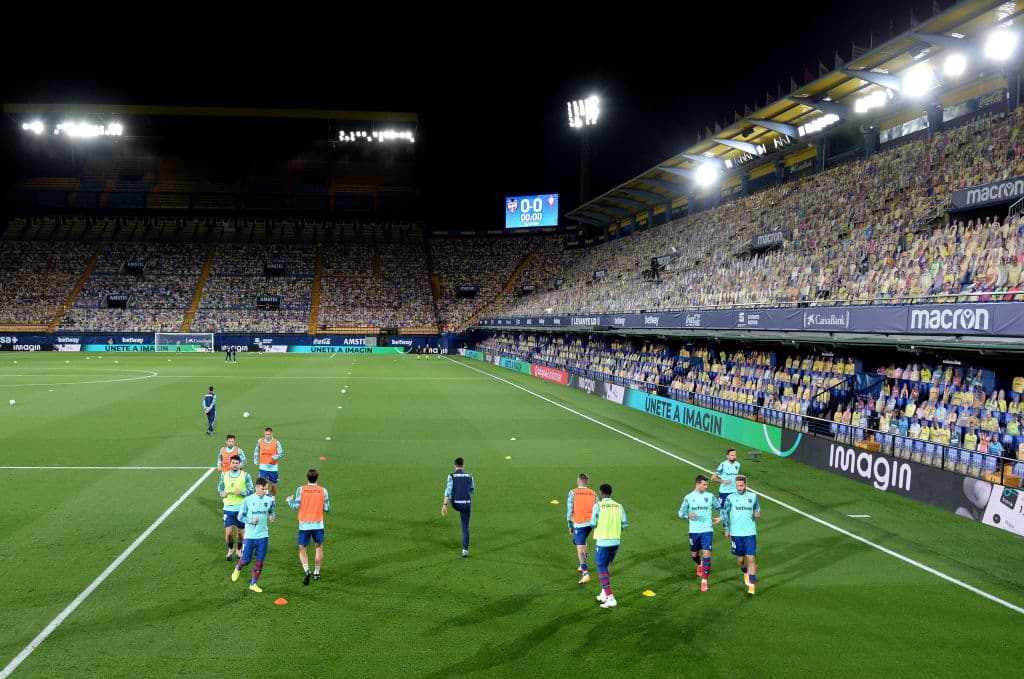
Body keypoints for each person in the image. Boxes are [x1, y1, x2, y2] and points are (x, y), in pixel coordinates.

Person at [287, 468, 330, 585]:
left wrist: (289, 500)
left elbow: (296, 506)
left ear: (307, 478)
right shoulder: (323, 491)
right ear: (317, 478)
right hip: (318, 524)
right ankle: (317, 572)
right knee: (318, 548)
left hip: (304, 525)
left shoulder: (301, 490)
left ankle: (307, 571)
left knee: (302, 549)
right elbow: (327, 508)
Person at [678, 474, 722, 592]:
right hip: (694, 531)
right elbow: (680, 512)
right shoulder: (688, 497)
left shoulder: (710, 496)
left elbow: (720, 508)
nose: (706, 487)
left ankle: (704, 581)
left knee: (707, 553)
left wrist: (721, 518)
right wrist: (688, 515)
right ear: (697, 484)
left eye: (707, 484)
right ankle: (700, 564)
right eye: (704, 484)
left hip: (707, 529)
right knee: (694, 554)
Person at [231, 477, 276, 593]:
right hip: (250, 536)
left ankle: (253, 584)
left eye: (266, 489)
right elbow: (240, 517)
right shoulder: (248, 500)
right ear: (256, 488)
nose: (265, 491)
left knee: (260, 561)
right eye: (263, 489)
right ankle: (238, 568)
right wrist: (251, 520)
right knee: (246, 560)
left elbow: (271, 510)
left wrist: (272, 516)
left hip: (263, 536)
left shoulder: (269, 500)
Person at [722, 475, 761, 596]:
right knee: (740, 560)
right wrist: (726, 528)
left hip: (750, 533)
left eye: (741, 485)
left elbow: (757, 507)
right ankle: (745, 572)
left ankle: (752, 586)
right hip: (736, 534)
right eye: (737, 485)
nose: (739, 488)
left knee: (751, 558)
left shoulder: (752, 496)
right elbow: (724, 512)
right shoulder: (730, 498)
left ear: (746, 485)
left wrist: (757, 512)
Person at [591, 483, 628, 608]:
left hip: (603, 541)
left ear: (601, 493)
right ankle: (604, 593)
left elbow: (592, 523)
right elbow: (625, 524)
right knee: (605, 565)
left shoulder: (598, 506)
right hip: (615, 542)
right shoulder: (619, 506)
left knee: (601, 567)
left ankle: (611, 598)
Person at [217, 454, 254, 560]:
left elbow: (251, 490)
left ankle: (238, 550)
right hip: (228, 508)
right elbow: (220, 488)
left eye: (237, 463)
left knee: (241, 533)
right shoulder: (224, 475)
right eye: (233, 463)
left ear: (239, 464)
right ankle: (230, 550)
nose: (235, 465)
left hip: (241, 509)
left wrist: (242, 492)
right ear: (230, 463)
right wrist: (221, 493)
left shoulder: (245, 475)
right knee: (228, 533)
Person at [566, 473, 597, 584]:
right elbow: (597, 507)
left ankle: (585, 573)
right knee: (581, 542)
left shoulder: (572, 492)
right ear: (587, 482)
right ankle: (584, 557)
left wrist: (570, 525)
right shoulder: (593, 493)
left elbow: (570, 510)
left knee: (579, 549)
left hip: (579, 523)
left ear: (578, 481)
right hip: (590, 524)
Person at [441, 457, 475, 557]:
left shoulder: (451, 476)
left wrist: (444, 505)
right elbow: (472, 490)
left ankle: (455, 500)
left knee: (452, 491)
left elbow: (448, 490)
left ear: (455, 465)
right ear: (463, 465)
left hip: (455, 504)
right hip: (467, 504)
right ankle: (465, 550)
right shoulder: (470, 476)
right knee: (465, 527)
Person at [255, 427, 284, 497]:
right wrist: (255, 460)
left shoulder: (276, 442)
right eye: (266, 434)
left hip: (273, 467)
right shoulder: (260, 441)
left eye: (269, 434)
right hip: (263, 466)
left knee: (273, 485)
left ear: (272, 434)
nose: (267, 436)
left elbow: (281, 454)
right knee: (263, 483)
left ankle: (273, 498)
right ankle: (266, 497)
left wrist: (275, 457)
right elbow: (256, 450)